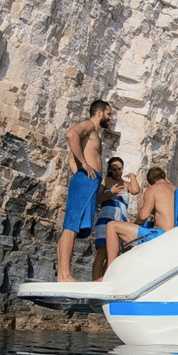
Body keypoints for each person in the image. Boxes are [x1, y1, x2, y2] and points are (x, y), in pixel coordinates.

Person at [56, 100, 112, 282]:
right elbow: (70, 134)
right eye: (108, 114)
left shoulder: (94, 134)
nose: (110, 118)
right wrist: (84, 166)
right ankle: (65, 275)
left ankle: (62, 275)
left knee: (72, 226)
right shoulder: (89, 126)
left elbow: (70, 160)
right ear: (99, 113)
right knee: (71, 227)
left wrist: (82, 170)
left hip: (89, 181)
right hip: (85, 179)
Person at [104, 167, 177, 270]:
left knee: (112, 226)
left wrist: (134, 223)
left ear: (150, 184)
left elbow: (143, 216)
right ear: (165, 177)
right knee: (131, 241)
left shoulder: (152, 189)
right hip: (175, 235)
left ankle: (110, 272)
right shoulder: (176, 190)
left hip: (160, 235)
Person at [91, 157, 140, 281]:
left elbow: (135, 190)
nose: (117, 172)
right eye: (114, 169)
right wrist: (110, 193)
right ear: (110, 170)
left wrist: (133, 176)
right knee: (102, 251)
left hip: (120, 222)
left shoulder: (126, 184)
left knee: (113, 253)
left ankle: (105, 279)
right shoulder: (106, 181)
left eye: (119, 169)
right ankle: (95, 281)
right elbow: (97, 200)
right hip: (105, 219)